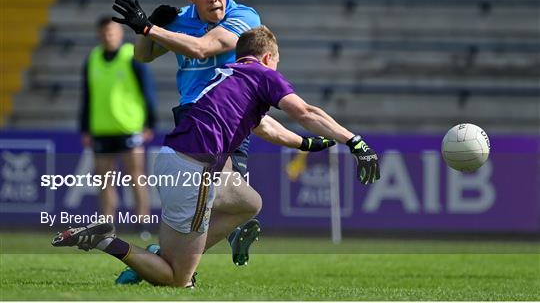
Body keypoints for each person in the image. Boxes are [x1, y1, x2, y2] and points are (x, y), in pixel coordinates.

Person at [53, 26, 381, 288]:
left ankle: (164, 251)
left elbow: (266, 127)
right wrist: (354, 141)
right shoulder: (264, 75)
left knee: (249, 203)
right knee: (176, 278)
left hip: (174, 159)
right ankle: (107, 241)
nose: (277, 69)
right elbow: (305, 111)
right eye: (277, 62)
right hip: (195, 169)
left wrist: (305, 145)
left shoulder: (228, 74)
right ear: (268, 58)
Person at [109, 0, 333, 278]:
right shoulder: (179, 21)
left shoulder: (245, 18)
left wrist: (148, 28)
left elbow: (203, 49)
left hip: (231, 117)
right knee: (229, 200)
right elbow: (143, 56)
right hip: (193, 116)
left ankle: (166, 260)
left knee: (232, 200)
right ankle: (174, 261)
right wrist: (146, 30)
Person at [80, 16, 157, 239]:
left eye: (112, 32)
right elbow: (87, 96)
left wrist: (149, 123)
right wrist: (85, 128)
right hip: (101, 129)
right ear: (99, 34)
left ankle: (142, 225)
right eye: (104, 32)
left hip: (129, 127)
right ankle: (107, 227)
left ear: (120, 33)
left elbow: (148, 91)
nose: (108, 36)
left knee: (136, 177)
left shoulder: (131, 56)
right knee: (104, 181)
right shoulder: (92, 59)